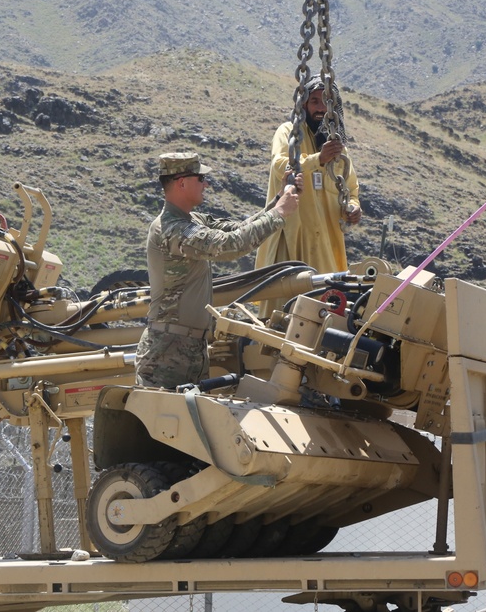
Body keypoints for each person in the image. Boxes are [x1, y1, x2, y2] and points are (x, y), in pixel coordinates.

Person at [135, 152, 300, 389]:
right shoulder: (171, 229)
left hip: (189, 349)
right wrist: (279, 213)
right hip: (167, 353)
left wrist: (279, 199)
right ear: (182, 182)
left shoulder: (192, 220)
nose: (206, 184)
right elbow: (229, 246)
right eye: (201, 178)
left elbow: (240, 229)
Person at [254, 75, 361, 277]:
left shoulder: (338, 148)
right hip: (291, 241)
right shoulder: (287, 132)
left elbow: (352, 189)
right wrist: (318, 159)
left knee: (323, 302)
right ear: (303, 104)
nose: (321, 108)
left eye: (327, 102)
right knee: (285, 301)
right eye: (314, 101)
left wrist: (354, 207)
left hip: (327, 248)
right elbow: (280, 164)